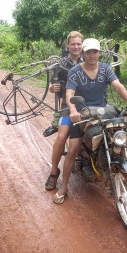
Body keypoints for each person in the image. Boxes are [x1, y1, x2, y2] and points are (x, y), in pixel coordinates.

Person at [53, 38, 127, 204]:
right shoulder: (75, 71)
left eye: (95, 52)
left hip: (102, 112)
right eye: (88, 52)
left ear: (99, 53)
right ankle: (63, 187)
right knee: (73, 149)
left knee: (120, 140)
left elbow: (118, 86)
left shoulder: (105, 69)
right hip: (81, 114)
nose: (92, 55)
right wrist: (73, 110)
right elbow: (69, 95)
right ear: (83, 53)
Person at [45, 31, 84, 191]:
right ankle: (54, 172)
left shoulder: (88, 60)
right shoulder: (60, 64)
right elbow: (50, 86)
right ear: (67, 45)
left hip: (87, 106)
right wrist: (51, 88)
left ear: (82, 45)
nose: (76, 47)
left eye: (78, 44)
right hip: (67, 108)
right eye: (73, 44)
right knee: (61, 137)